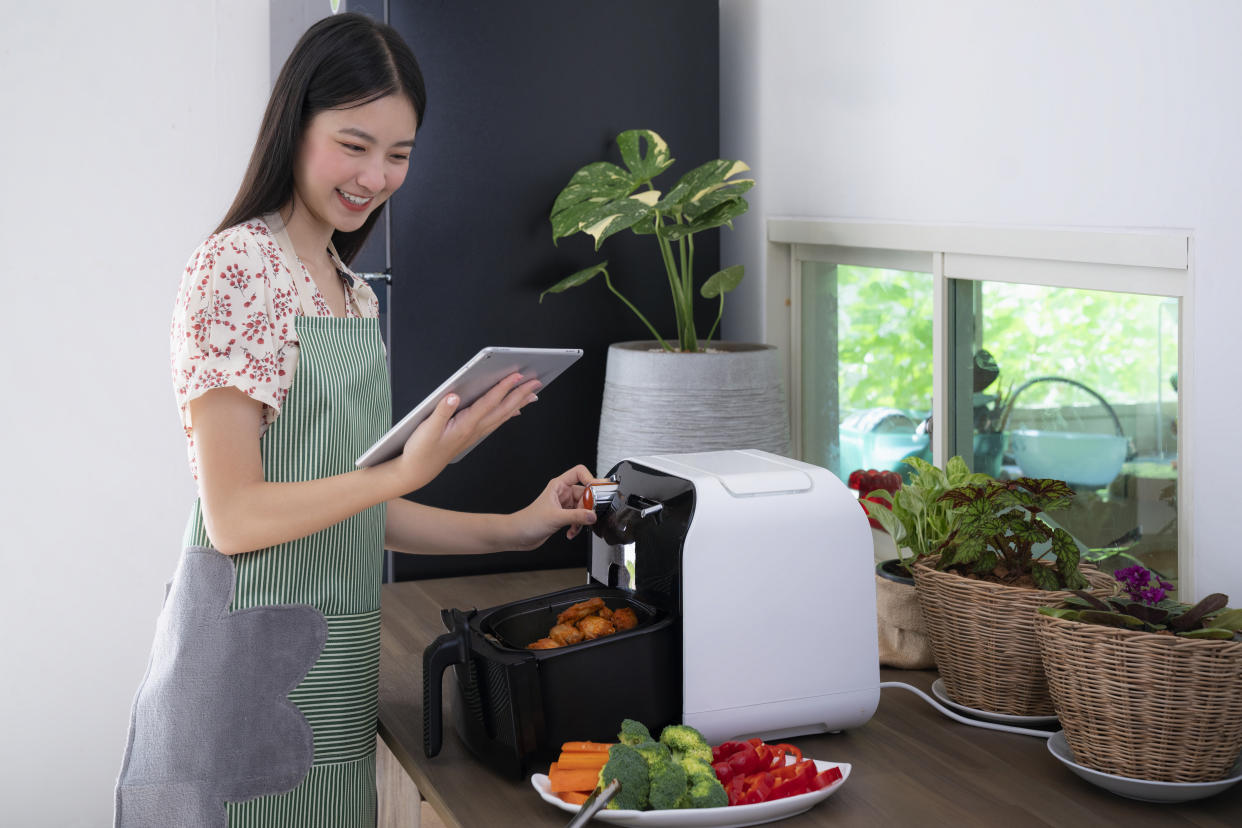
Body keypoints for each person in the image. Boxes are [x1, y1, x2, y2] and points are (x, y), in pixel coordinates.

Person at [115, 13, 597, 828]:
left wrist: (517, 529)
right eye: (354, 143)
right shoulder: (236, 268)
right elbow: (235, 517)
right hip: (242, 694)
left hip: (333, 685)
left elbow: (354, 516)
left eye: (400, 153)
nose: (376, 175)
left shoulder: (350, 289)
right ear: (295, 124)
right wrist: (408, 467)